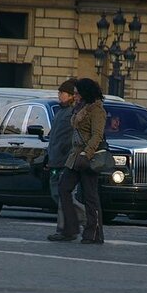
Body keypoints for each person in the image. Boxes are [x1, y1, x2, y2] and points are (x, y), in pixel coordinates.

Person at [57, 78, 107, 244]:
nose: (75, 96)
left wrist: (87, 153)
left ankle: (94, 233)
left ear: (86, 93)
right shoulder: (79, 108)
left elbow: (97, 135)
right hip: (75, 156)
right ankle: (70, 228)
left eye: (78, 93)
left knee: (90, 196)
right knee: (64, 188)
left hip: (87, 157)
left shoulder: (97, 110)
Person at [46, 79, 86, 241]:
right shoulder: (60, 112)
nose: (59, 95)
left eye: (61, 93)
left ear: (70, 95)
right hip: (55, 159)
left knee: (64, 197)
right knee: (58, 195)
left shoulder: (72, 113)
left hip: (65, 161)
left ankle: (68, 227)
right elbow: (54, 137)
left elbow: (72, 139)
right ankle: (74, 224)